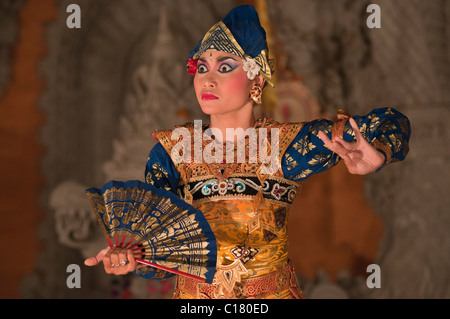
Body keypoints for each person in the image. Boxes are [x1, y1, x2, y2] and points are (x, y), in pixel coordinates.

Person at [84, 5, 410, 299]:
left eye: (224, 67)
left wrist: (378, 151)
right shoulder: (171, 152)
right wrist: (130, 254)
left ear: (256, 79)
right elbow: (160, 247)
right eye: (201, 68)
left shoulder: (285, 145)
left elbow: (389, 121)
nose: (207, 80)